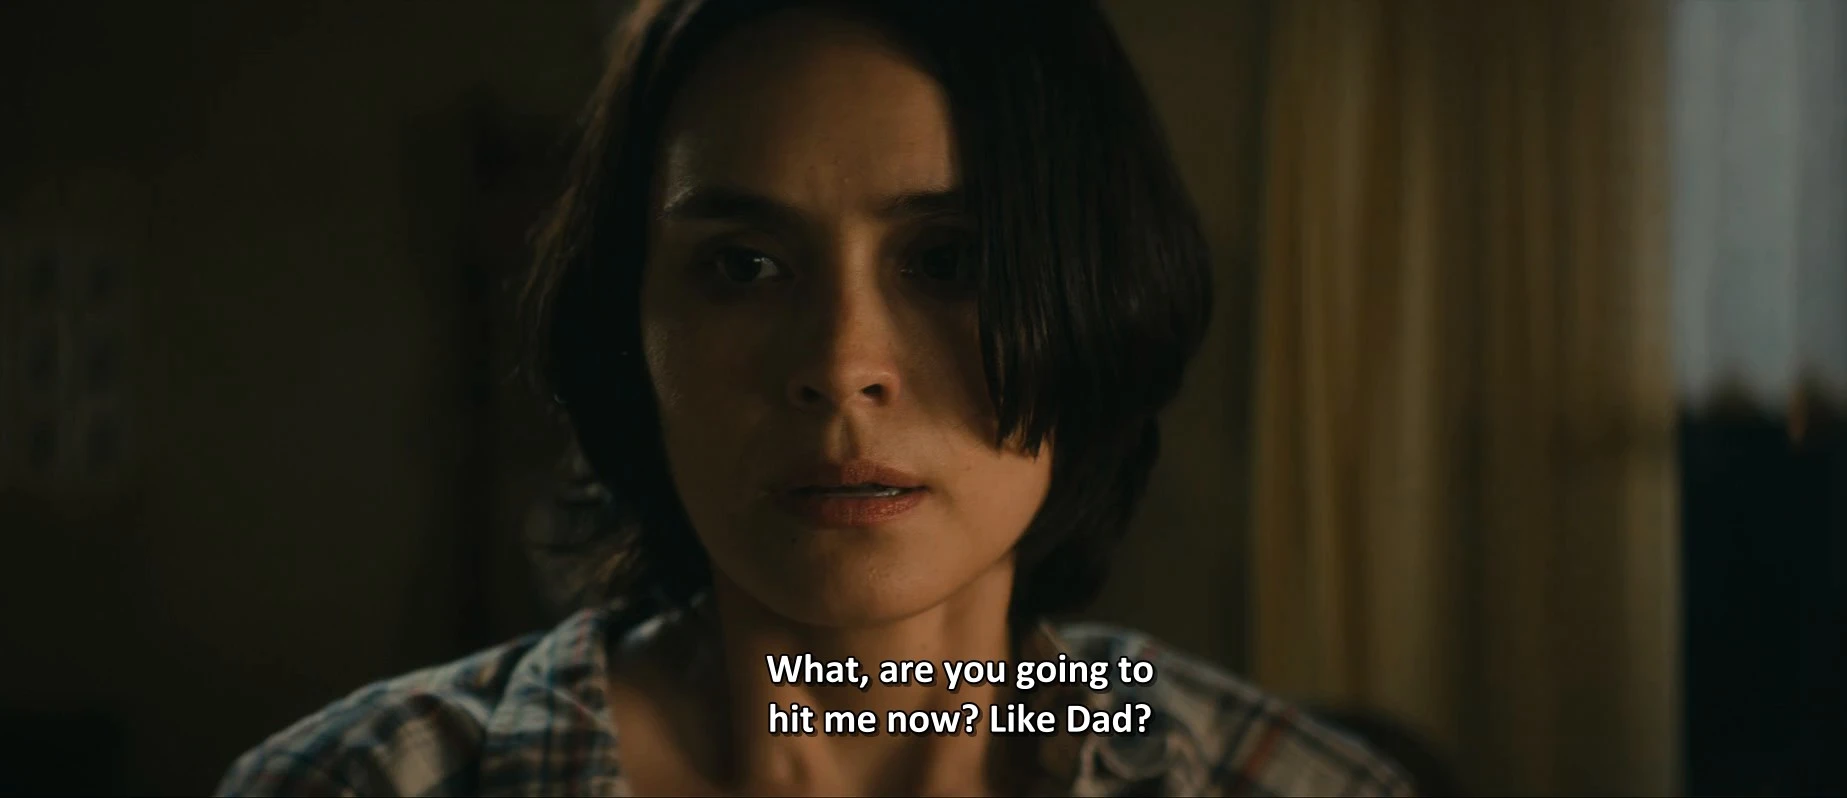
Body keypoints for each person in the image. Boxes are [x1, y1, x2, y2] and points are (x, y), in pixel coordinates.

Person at [216, 0, 1414, 795]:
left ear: (1103, 298)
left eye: (950, 261)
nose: (842, 365)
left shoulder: (1287, 786)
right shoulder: (362, 783)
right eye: (743, 268)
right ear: (631, 329)